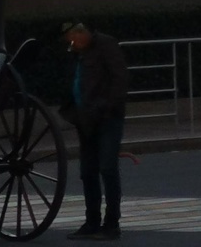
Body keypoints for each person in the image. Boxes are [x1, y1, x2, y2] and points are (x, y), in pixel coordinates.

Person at [63, 23, 129, 240]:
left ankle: (111, 224)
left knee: (107, 168)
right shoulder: (78, 52)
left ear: (85, 32)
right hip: (85, 118)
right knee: (87, 172)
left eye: (76, 36)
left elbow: (119, 78)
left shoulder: (106, 45)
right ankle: (92, 222)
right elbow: (75, 81)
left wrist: (109, 107)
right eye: (70, 38)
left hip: (106, 117)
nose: (74, 41)